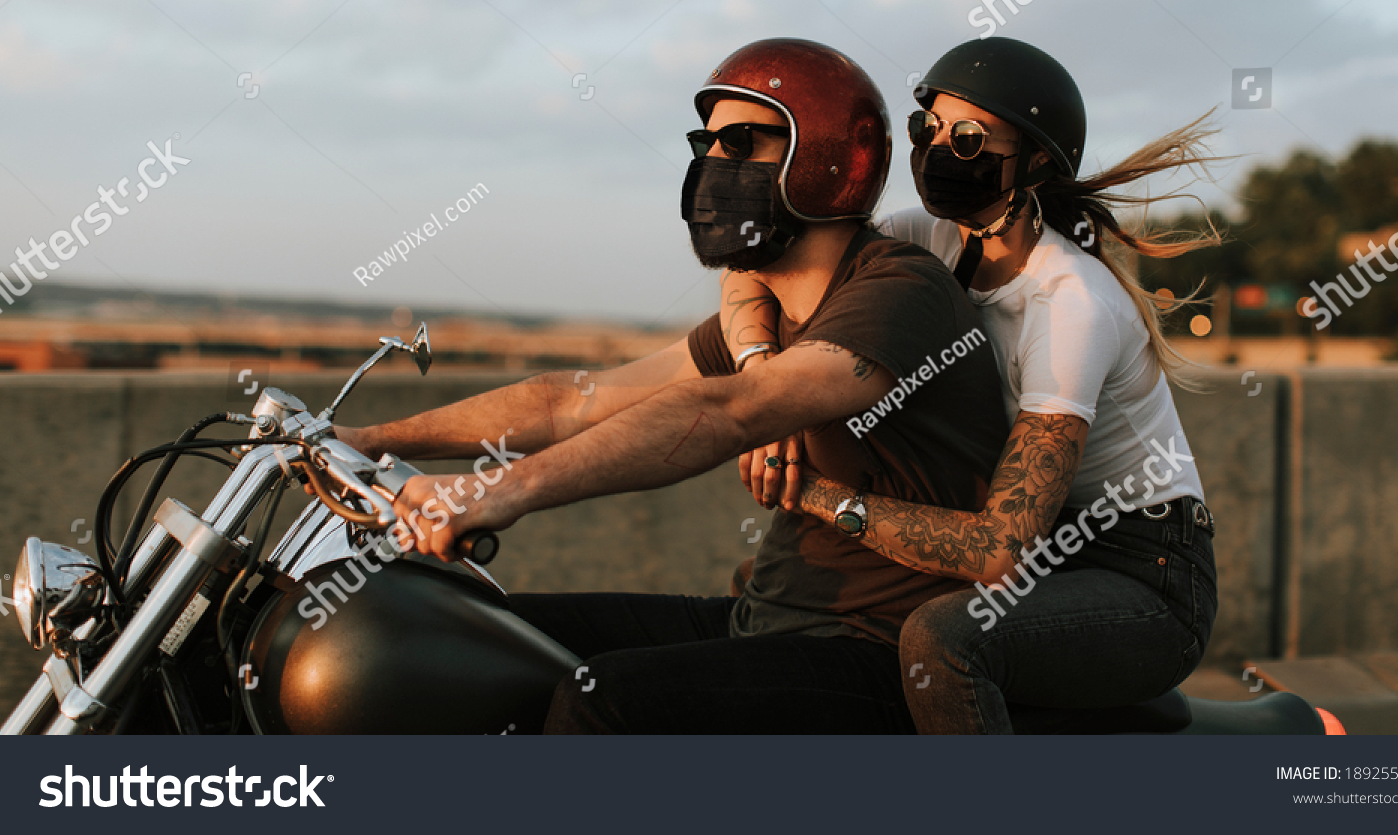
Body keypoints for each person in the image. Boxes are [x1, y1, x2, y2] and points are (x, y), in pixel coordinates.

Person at [335, 37, 1012, 733]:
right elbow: (574, 398)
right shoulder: (768, 315)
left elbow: (733, 412)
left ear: (825, 154)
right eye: (705, 143)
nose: (711, 164)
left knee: (603, 700)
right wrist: (359, 440)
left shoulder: (899, 289)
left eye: (741, 142)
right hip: (760, 619)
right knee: (468, 633)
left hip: (873, 653)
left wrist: (492, 493)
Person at [722, 36, 1222, 734]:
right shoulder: (927, 238)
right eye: (927, 129)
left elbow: (998, 549)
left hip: (1143, 570)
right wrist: (762, 380)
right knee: (774, 590)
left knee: (944, 641)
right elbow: (761, 251)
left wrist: (823, 499)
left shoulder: (1069, 300)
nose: (936, 150)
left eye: (968, 138)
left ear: (1038, 159)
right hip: (1051, 547)